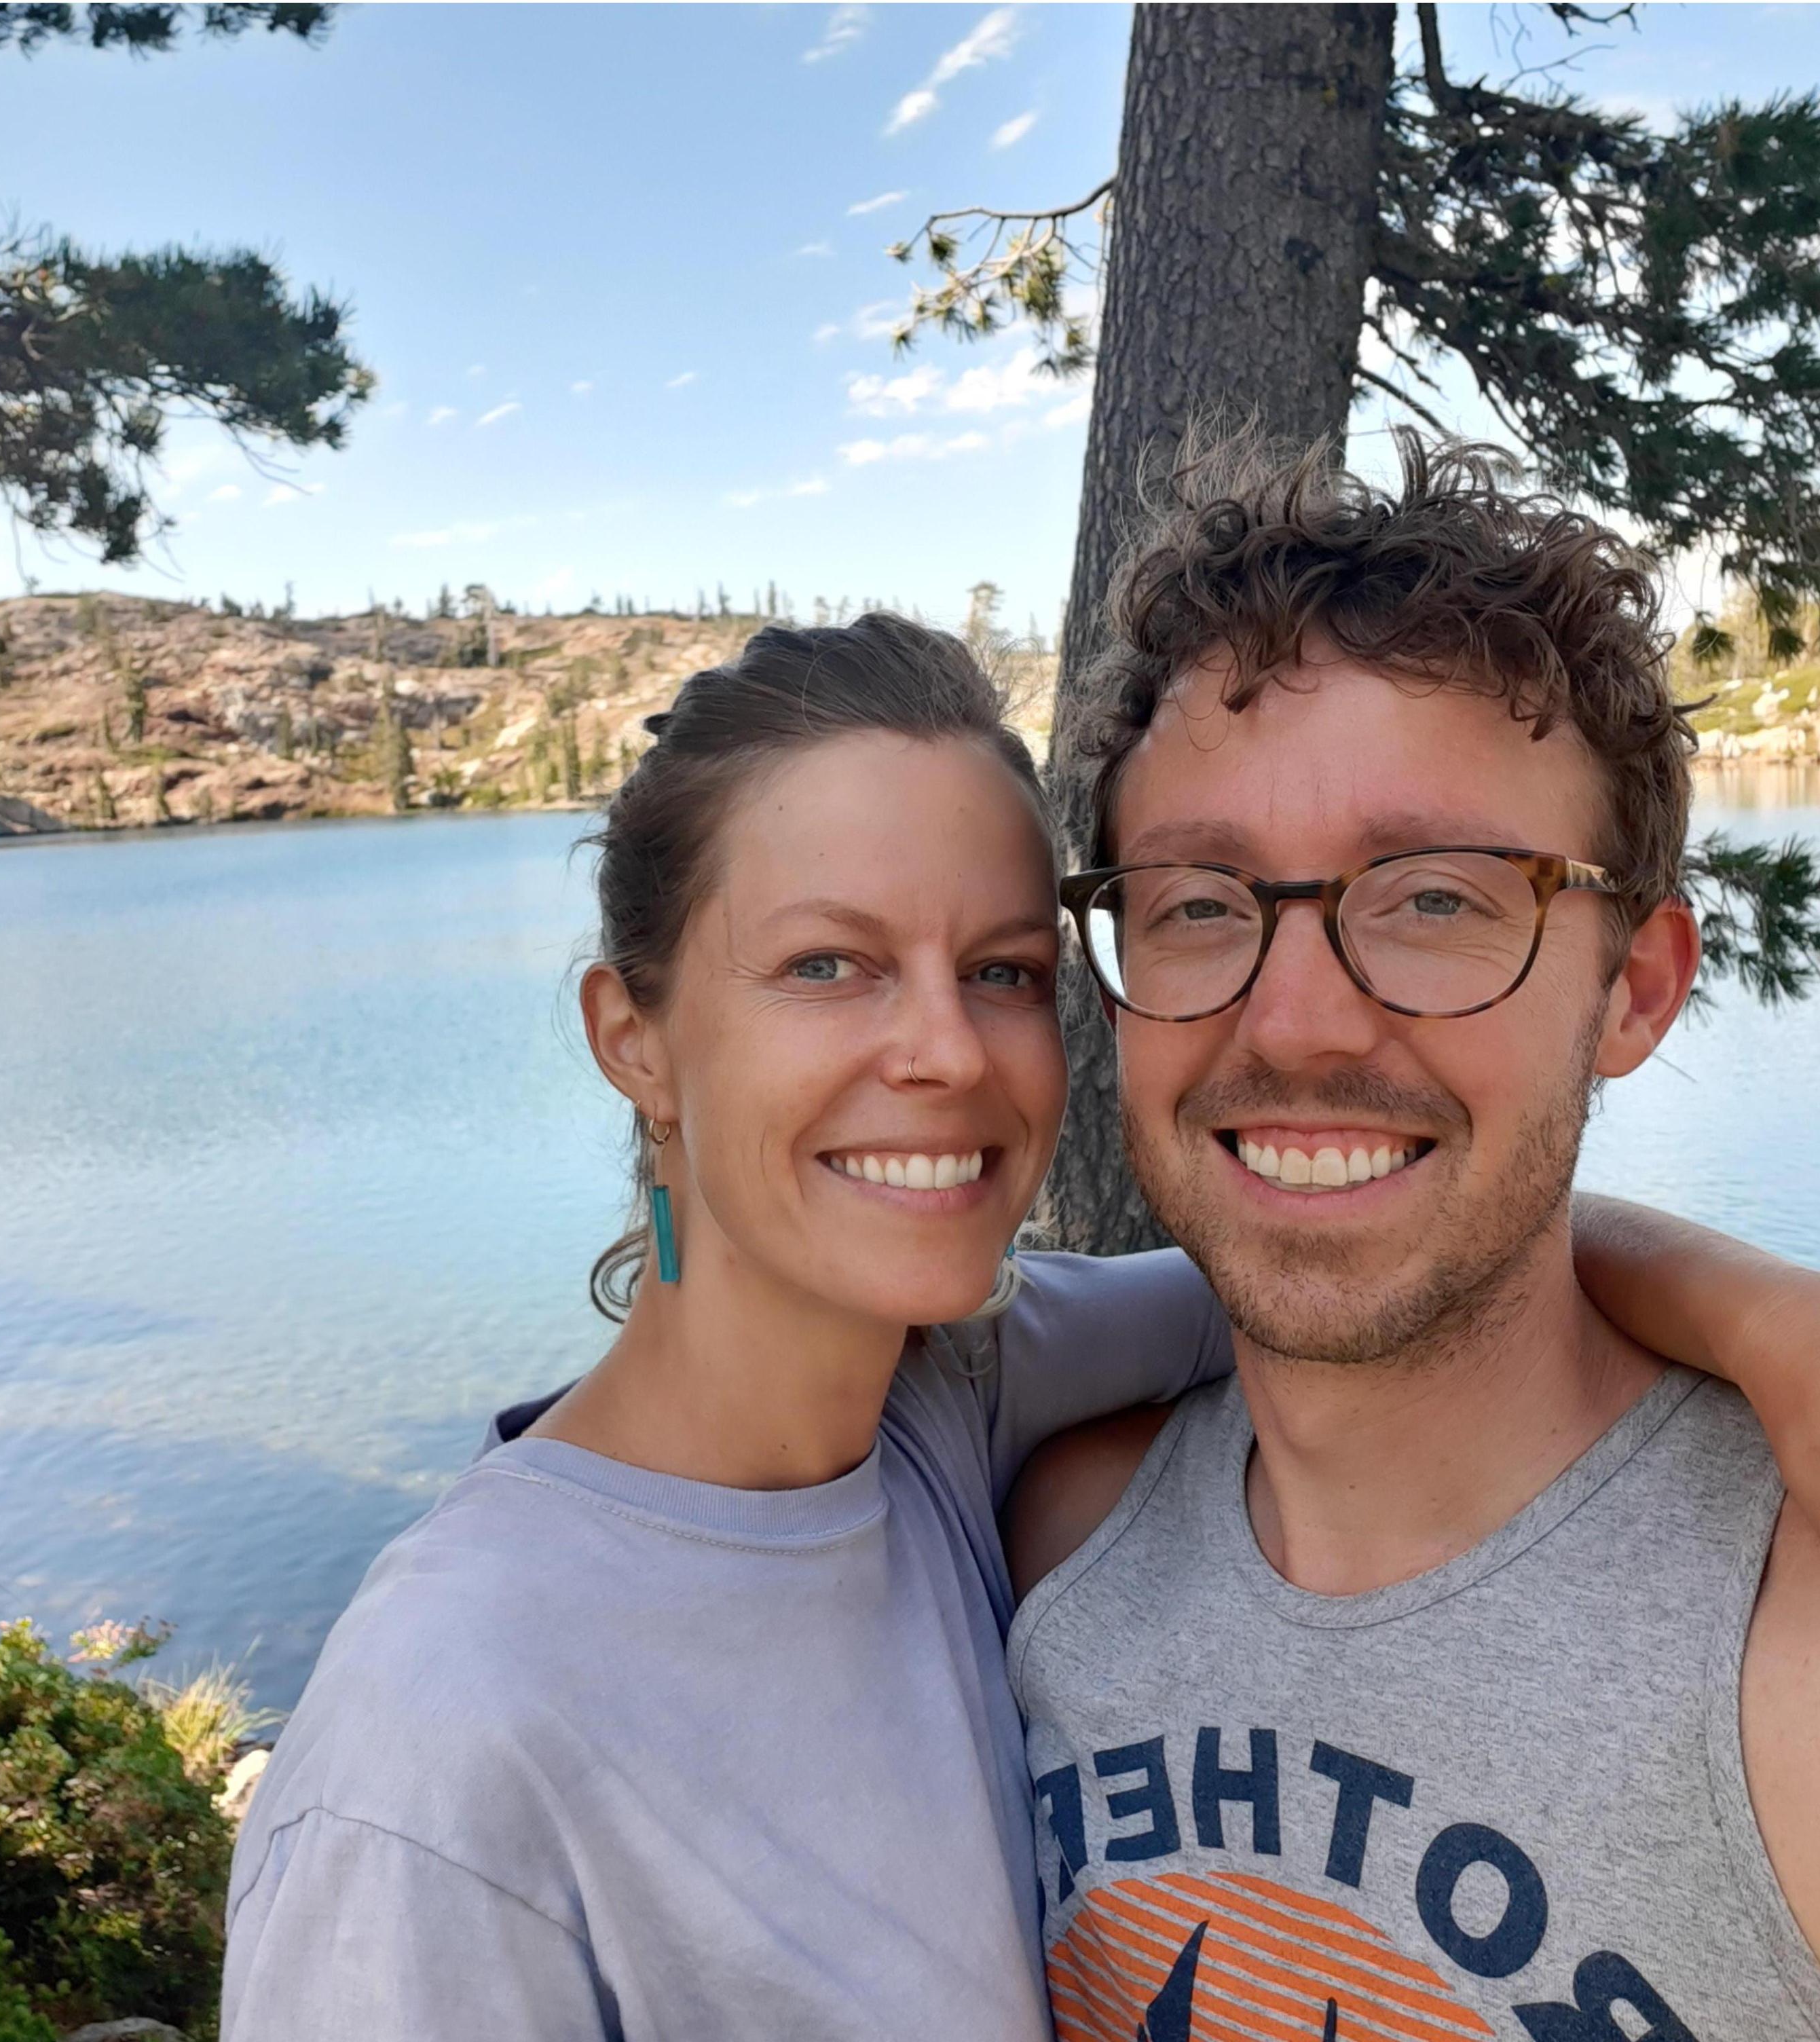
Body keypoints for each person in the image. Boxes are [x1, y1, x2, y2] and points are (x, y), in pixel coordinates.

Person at [221, 609, 1815, 2042]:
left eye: (998, 971)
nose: (941, 1051)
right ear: (631, 1036)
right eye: (827, 963)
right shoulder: (435, 1746)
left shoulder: (952, 1411)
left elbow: (1320, 1248)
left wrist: (1763, 1323)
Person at [1003, 434, 1820, 2042]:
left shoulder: (1774, 1628)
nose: (1294, 1021)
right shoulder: (1055, 1543)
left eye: (1434, 897)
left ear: (1636, 987)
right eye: (1196, 902)